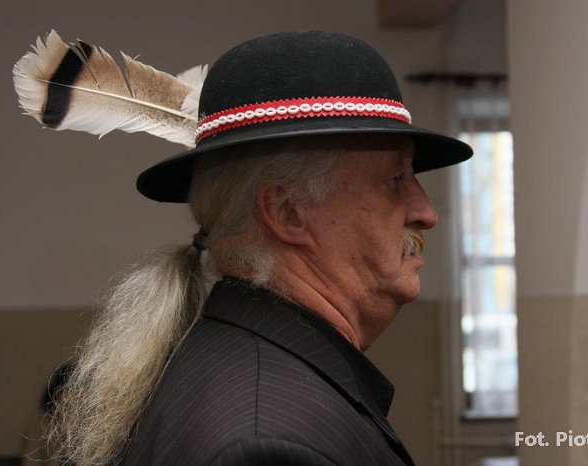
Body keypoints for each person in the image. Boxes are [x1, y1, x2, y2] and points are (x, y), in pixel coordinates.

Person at [44, 31, 472, 465]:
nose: (426, 212)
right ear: (287, 212)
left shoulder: (240, 371)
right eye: (394, 180)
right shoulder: (265, 445)